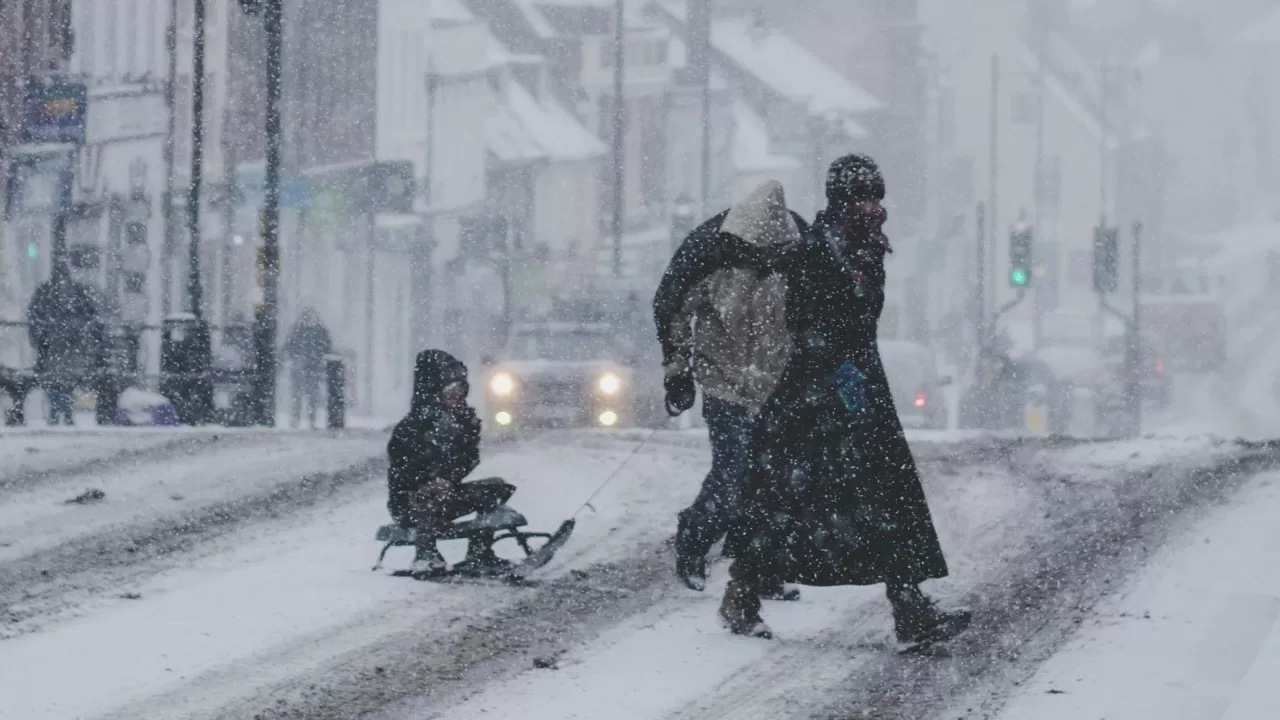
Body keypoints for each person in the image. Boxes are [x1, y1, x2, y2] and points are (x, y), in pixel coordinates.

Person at [717, 155, 969, 644]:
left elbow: (861, 321)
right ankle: (742, 593)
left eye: (876, 197)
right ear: (841, 202)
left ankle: (910, 609)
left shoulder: (867, 251)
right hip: (809, 395)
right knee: (784, 499)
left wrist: (854, 373)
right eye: (862, 198)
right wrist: (832, 366)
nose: (873, 208)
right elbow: (804, 320)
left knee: (888, 501)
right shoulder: (813, 252)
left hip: (860, 393)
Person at [653, 180, 809, 600]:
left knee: (778, 481)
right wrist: (677, 373)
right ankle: (694, 540)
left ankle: (763, 569)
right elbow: (672, 310)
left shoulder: (800, 252)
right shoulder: (708, 251)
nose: (767, 260)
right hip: (723, 380)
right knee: (733, 476)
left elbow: (817, 316)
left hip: (777, 384)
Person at [387, 349, 515, 577]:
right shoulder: (412, 427)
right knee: (429, 496)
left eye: (460, 391)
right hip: (411, 503)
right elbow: (403, 470)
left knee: (495, 488)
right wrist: (430, 482)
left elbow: (466, 461)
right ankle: (426, 554)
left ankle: (480, 552)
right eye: (451, 391)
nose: (457, 396)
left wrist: (449, 474)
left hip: (445, 495)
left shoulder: (461, 420)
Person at [26, 262, 103, 426]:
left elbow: (34, 316)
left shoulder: (45, 292)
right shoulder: (76, 293)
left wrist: (42, 335)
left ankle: (58, 412)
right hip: (65, 346)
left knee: (59, 381)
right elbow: (90, 314)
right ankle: (62, 412)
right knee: (63, 381)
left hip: (58, 346)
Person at [283, 307, 332, 428]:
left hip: (308, 367)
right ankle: (302, 420)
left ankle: (303, 420)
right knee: (303, 395)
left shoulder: (299, 331)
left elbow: (288, 346)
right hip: (307, 367)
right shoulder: (317, 331)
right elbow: (326, 346)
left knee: (306, 396)